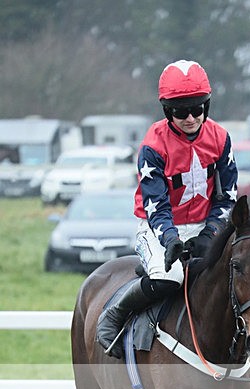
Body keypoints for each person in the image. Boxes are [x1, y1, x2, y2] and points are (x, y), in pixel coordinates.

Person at [97, 59, 238, 357]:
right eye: (180, 111)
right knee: (169, 278)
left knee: (238, 274)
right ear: (166, 111)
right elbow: (156, 204)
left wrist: (211, 233)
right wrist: (171, 240)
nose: (190, 118)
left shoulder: (221, 139)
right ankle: (115, 314)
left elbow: (228, 198)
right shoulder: (153, 146)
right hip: (158, 227)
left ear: (207, 106)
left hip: (205, 225)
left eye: (197, 109)